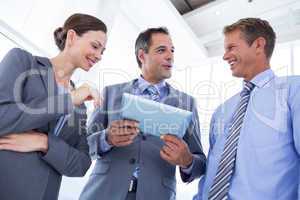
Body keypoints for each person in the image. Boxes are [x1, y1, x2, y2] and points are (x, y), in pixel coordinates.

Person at [79, 27, 206, 200]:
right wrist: (106, 138)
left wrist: (188, 161)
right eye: (162, 50)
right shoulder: (110, 93)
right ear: (142, 55)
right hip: (103, 192)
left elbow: (201, 164)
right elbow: (83, 147)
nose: (170, 56)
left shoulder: (187, 103)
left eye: (172, 50)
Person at [0, 13, 107, 200]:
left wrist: (45, 143)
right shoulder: (23, 62)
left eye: (102, 51)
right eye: (95, 46)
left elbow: (82, 163)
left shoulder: (80, 106)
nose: (98, 56)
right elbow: (2, 117)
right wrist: (68, 100)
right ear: (72, 37)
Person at [194, 17, 300, 200]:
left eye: (231, 47)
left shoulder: (293, 91)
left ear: (259, 45)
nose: (225, 56)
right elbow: (211, 170)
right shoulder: (222, 110)